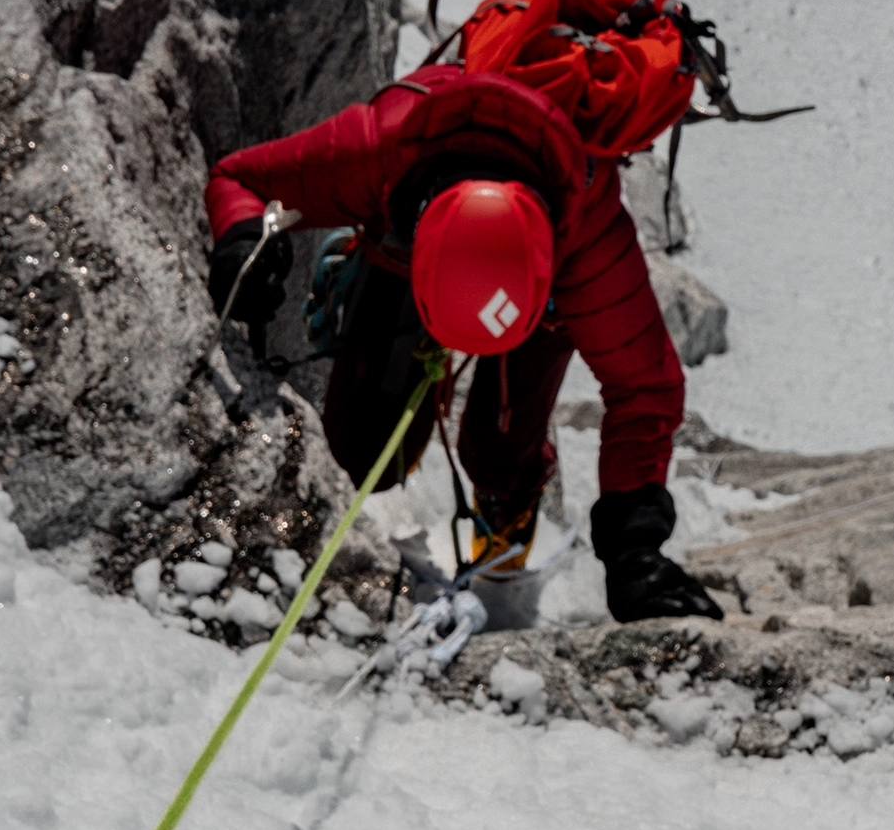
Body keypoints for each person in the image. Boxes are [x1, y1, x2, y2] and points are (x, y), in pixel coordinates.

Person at [201, 60, 724, 623]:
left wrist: (634, 547)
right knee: (366, 445)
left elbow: (646, 388)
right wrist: (246, 241)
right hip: (406, 240)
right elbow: (238, 179)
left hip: (526, 288)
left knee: (501, 444)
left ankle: (508, 499)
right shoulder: (379, 149)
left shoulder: (588, 233)